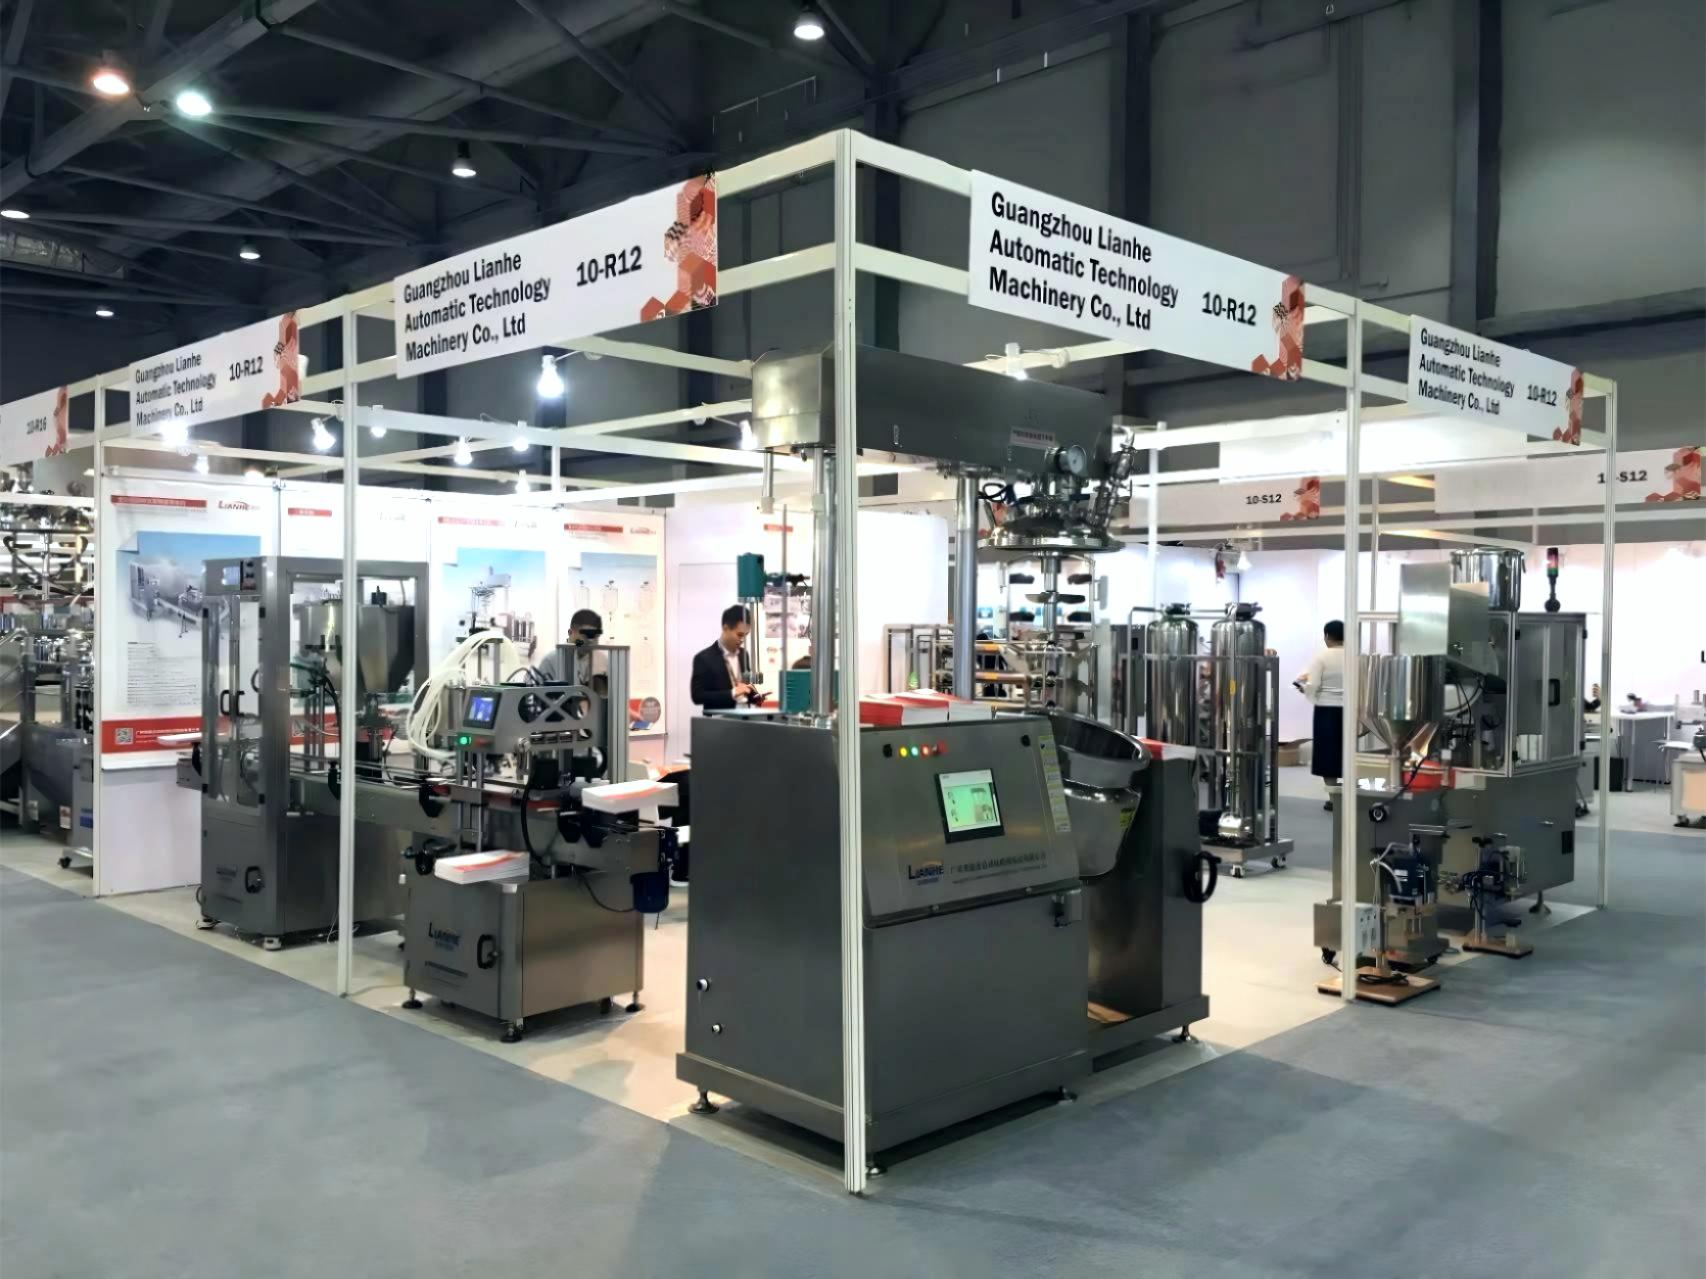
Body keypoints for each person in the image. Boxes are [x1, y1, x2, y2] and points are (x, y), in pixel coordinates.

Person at [1295, 620, 1345, 811]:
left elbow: (1313, 684)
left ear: (1327, 636)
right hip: (1348, 710)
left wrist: (1304, 689)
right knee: (1344, 753)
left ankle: (1334, 800)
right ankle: (1348, 798)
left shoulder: (1322, 656)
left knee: (1327, 755)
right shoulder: (1354, 657)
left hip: (1326, 710)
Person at [691, 605, 757, 711]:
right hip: (719, 719)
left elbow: (745, 686)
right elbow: (697, 696)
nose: (743, 640)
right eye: (740, 634)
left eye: (746, 635)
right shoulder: (703, 658)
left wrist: (755, 696)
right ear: (725, 628)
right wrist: (732, 693)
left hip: (745, 716)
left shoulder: (744, 654)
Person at [534, 608, 602, 684]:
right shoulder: (550, 661)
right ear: (570, 633)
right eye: (586, 635)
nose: (590, 641)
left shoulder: (600, 661)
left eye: (595, 636)